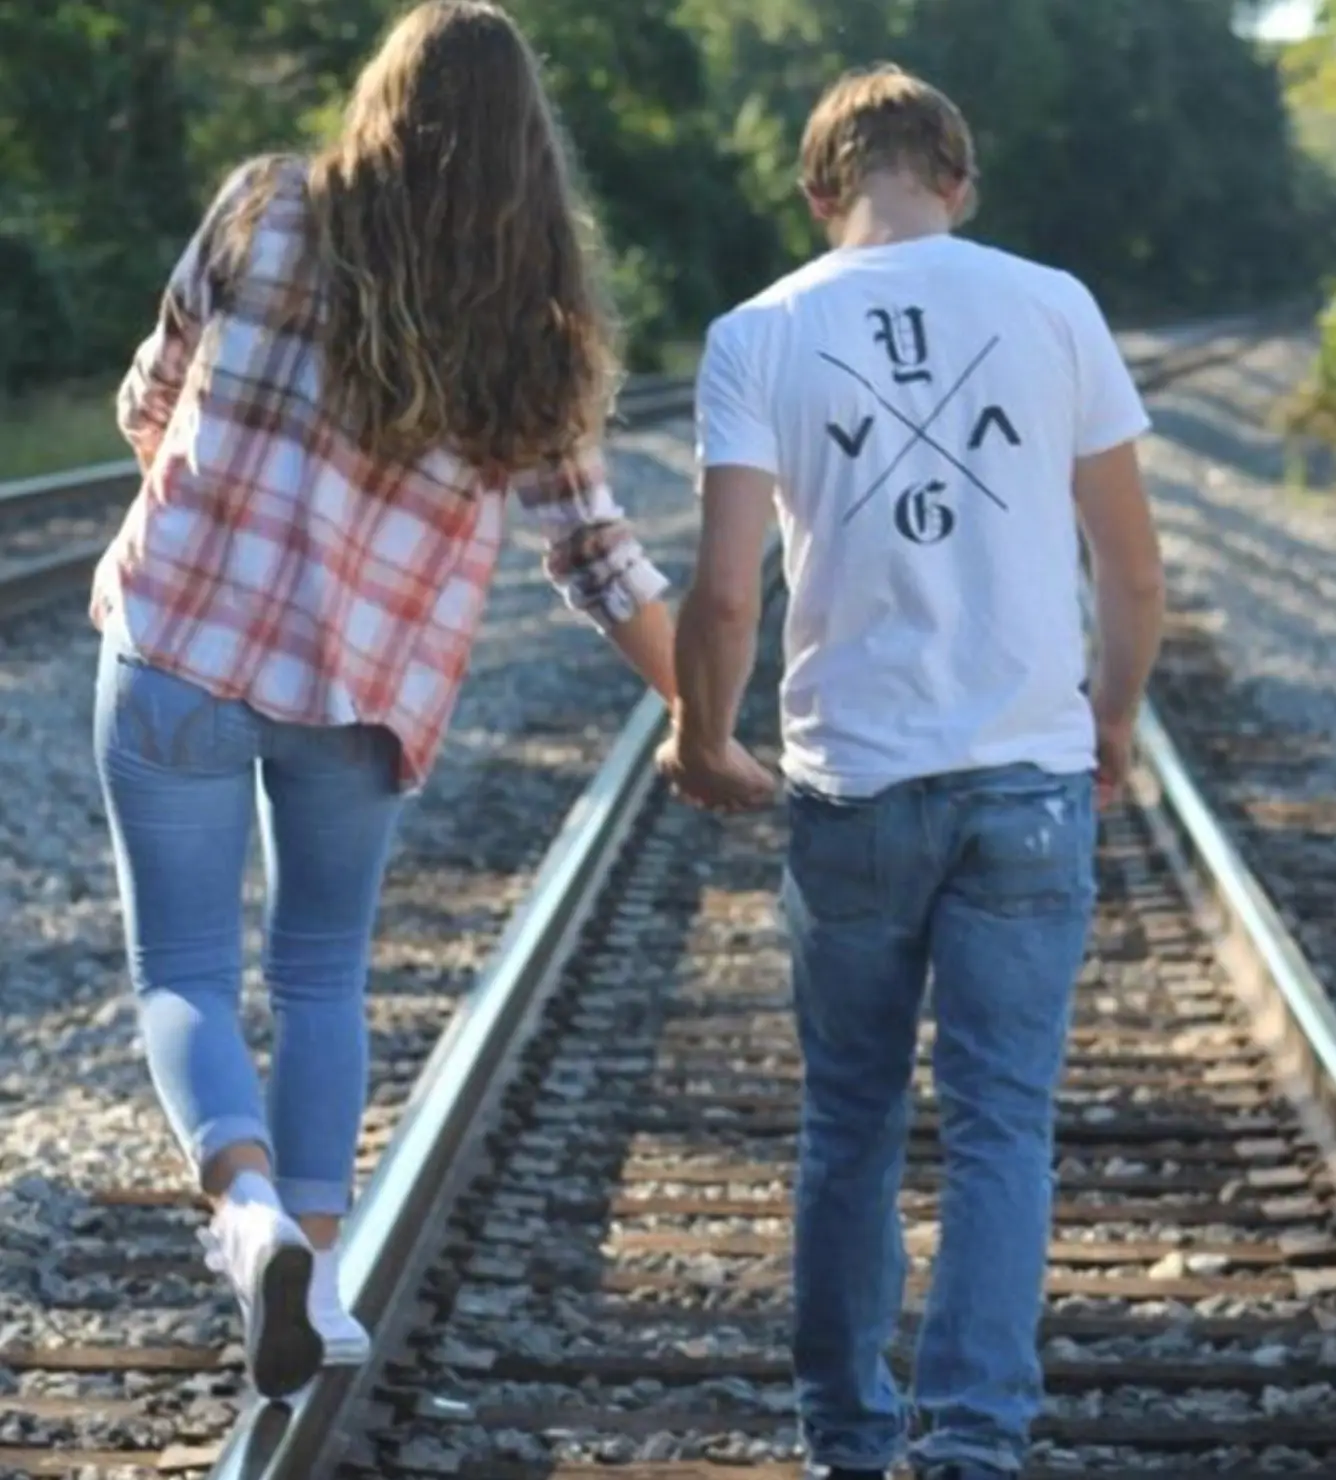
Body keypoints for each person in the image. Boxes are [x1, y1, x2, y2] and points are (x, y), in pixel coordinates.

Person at [91, 0, 725, 1402]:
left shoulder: (263, 209)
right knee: (321, 972)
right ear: (527, 152)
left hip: (179, 642)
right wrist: (706, 718)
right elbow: (596, 554)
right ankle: (313, 1278)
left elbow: (149, 399)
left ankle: (246, 1214)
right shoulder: (535, 326)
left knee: (183, 971)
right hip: (358, 693)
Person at [657, 64, 1164, 1480]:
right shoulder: (1053, 306)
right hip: (1025, 782)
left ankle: (847, 1439)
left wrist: (703, 736)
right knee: (1003, 1126)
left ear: (818, 192)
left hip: (855, 787)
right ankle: (976, 1444)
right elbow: (1131, 570)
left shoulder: (758, 332)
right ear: (959, 180)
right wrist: (1111, 716)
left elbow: (726, 597)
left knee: (851, 1120)